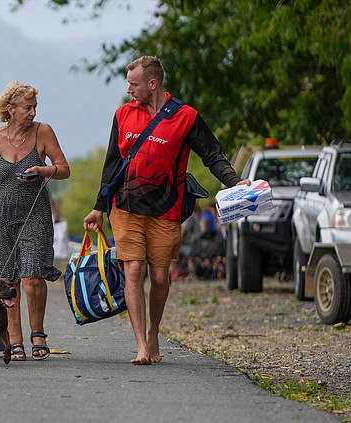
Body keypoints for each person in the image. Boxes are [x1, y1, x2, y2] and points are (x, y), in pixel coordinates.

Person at [83, 56, 250, 365]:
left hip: (166, 209)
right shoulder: (123, 114)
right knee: (134, 269)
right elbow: (112, 165)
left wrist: (236, 181)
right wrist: (98, 207)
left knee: (160, 277)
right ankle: (140, 346)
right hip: (126, 206)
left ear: (152, 84)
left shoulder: (185, 117)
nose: (128, 89)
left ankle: (153, 332)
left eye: (133, 84)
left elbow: (212, 154)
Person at [0, 81, 70, 361]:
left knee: (33, 274)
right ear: (10, 110)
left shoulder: (43, 132)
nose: (33, 112)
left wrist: (42, 169)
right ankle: (14, 339)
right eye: (27, 107)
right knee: (6, 281)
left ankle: (38, 333)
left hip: (33, 213)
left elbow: (63, 169)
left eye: (35, 106)